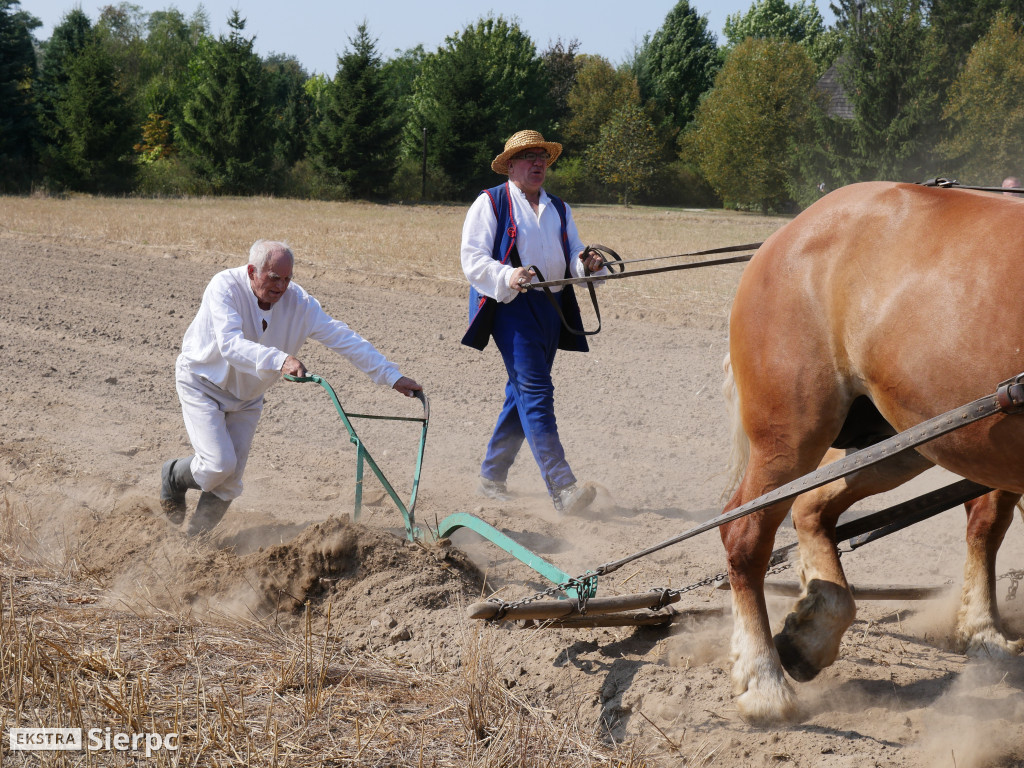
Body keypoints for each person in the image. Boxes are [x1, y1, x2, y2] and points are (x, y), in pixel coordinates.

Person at [160, 240, 421, 536]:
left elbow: (343, 337)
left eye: (287, 279)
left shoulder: (300, 304)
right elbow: (230, 345)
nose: (281, 287)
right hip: (203, 384)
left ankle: (194, 540)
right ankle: (173, 476)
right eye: (273, 277)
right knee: (217, 466)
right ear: (251, 271)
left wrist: (391, 376)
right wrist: (280, 359)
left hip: (248, 397)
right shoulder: (225, 287)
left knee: (230, 482)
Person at [460, 129, 607, 516]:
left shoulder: (559, 207)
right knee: (537, 393)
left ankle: (491, 475)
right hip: (513, 308)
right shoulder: (490, 202)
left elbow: (573, 253)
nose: (539, 163)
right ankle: (563, 487)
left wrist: (587, 263)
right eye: (529, 157)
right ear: (511, 165)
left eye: (543, 157)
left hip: (553, 309)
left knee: (521, 394)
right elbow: (473, 260)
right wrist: (509, 275)